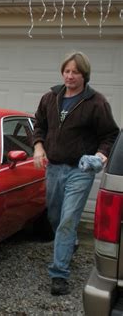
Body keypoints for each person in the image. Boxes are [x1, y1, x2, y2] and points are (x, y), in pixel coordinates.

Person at [33, 51, 119, 296]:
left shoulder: (96, 102)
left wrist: (100, 157)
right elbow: (39, 124)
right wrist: (39, 147)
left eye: (75, 72)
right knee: (55, 217)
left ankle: (59, 274)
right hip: (54, 167)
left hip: (79, 171)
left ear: (84, 75)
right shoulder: (51, 97)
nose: (70, 76)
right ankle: (71, 243)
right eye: (67, 71)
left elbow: (110, 135)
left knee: (68, 220)